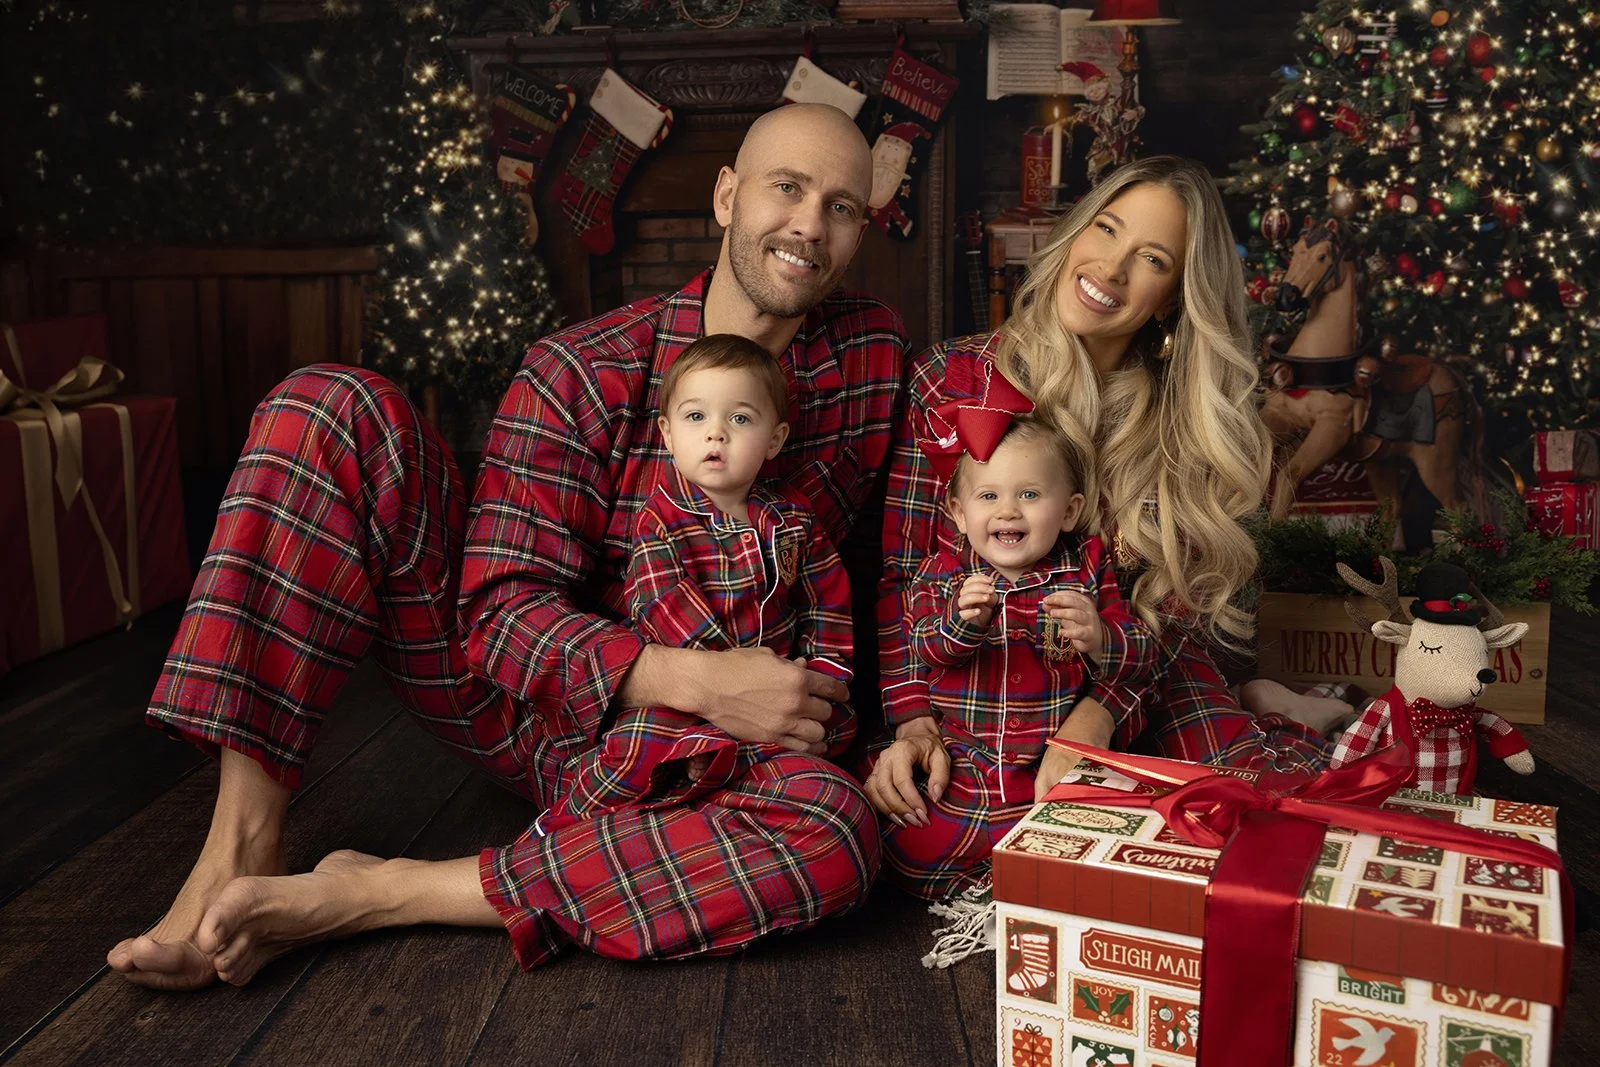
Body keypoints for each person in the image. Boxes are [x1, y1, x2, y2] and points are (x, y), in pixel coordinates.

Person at [106, 102, 905, 990]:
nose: (809, 224)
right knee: (328, 404)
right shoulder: (581, 368)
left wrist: (910, 719)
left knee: (839, 840)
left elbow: (908, 542)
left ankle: (392, 890)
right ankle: (238, 846)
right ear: (726, 197)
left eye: (842, 206)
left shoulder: (869, 355)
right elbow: (499, 616)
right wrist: (692, 678)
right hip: (543, 718)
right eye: (786, 188)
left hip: (731, 761)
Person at [868, 155, 1343, 830]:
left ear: (1175, 297)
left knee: (1265, 814)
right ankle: (1267, 698)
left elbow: (1172, 611)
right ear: (1076, 231)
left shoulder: (1181, 415)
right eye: (1107, 230)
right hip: (983, 683)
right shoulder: (953, 378)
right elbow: (900, 573)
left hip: (1138, 674)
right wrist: (912, 718)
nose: (1111, 269)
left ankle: (1267, 709)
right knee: (954, 835)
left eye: (1151, 259)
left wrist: (1100, 712)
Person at [538, 332, 856, 831]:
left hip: (778, 688)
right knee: (636, 745)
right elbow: (662, 605)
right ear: (667, 433)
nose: (716, 434)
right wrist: (727, 681)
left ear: (774, 439)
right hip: (689, 691)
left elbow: (827, 602)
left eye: (740, 418)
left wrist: (821, 675)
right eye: (696, 417)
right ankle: (563, 830)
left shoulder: (793, 519)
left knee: (831, 737)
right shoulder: (660, 521)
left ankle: (722, 800)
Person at [864, 407, 1152, 900]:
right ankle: (980, 886)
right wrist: (964, 623)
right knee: (913, 843)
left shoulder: (1085, 569)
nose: (1008, 511)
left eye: (1030, 495)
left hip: (1047, 758)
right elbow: (927, 648)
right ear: (959, 512)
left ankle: (1026, 883)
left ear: (1069, 511)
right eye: (989, 496)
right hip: (965, 759)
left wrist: (1102, 636)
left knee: (1104, 839)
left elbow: (1141, 657)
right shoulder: (944, 574)